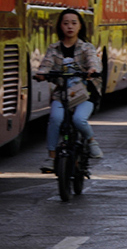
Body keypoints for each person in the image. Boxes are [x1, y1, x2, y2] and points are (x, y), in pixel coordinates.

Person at [33, 9, 104, 163]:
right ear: (60, 26)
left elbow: (93, 61)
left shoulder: (86, 47)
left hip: (85, 94)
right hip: (63, 94)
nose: (69, 27)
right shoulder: (54, 48)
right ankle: (52, 157)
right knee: (55, 119)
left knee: (79, 119)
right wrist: (41, 73)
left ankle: (92, 141)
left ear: (80, 26)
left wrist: (93, 70)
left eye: (74, 23)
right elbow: (46, 64)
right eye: (65, 23)